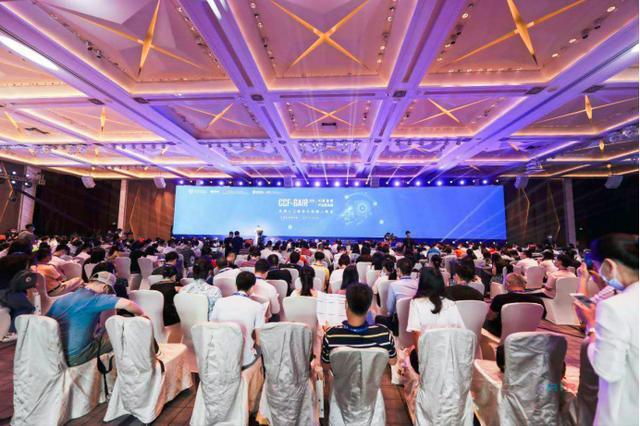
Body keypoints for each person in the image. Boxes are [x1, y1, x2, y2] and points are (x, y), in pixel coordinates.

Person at [574, 234, 638, 426]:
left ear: (609, 265)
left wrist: (592, 325)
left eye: (598, 266)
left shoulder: (614, 306)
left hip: (625, 412)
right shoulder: (616, 294)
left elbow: (607, 369)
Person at [47, 271, 145, 366]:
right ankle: (133, 365)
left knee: (101, 331)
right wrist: (143, 315)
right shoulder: (95, 299)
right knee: (123, 331)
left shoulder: (62, 299)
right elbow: (128, 304)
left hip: (55, 354)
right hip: (76, 356)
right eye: (108, 291)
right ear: (105, 287)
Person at [407, 268, 464, 373]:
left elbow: (416, 332)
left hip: (430, 355)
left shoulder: (416, 303)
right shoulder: (450, 303)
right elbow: (461, 331)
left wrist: (421, 361)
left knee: (411, 354)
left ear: (422, 283)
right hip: (449, 355)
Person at [321, 283, 396, 365]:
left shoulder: (331, 336)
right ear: (369, 308)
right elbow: (393, 361)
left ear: (346, 304)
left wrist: (331, 330)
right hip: (372, 373)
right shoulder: (384, 334)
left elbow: (325, 366)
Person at [210, 271, 265, 368]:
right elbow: (259, 339)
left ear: (236, 285)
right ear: (252, 287)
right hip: (244, 360)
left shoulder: (220, 302)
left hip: (221, 356)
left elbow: (211, 327)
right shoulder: (257, 307)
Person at [483, 273, 546, 338]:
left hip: (501, 333)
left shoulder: (500, 299)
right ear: (523, 285)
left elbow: (490, 317)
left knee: (482, 321)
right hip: (527, 334)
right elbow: (541, 319)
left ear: (507, 284)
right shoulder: (538, 301)